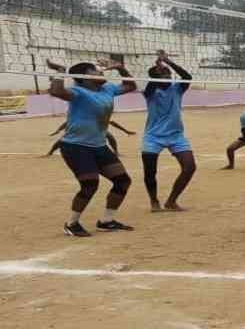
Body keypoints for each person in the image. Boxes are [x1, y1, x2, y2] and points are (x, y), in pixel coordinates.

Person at [46, 57, 137, 237]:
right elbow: (57, 91)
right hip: (75, 146)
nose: (100, 72)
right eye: (94, 71)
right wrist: (60, 71)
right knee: (90, 184)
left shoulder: (107, 89)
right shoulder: (78, 92)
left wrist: (121, 69)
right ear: (84, 77)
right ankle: (71, 224)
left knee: (122, 181)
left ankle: (106, 221)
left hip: (99, 146)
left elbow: (130, 86)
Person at [141, 50, 197, 212]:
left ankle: (171, 201)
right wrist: (158, 69)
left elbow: (187, 77)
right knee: (150, 172)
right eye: (163, 74)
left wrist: (168, 62)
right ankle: (154, 201)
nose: (167, 75)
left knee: (190, 167)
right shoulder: (150, 93)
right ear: (154, 78)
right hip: (153, 137)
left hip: (176, 135)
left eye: (168, 73)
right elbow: (151, 85)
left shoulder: (177, 89)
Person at [46, 120, 136, 157]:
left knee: (109, 136)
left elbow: (112, 122)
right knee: (63, 139)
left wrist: (126, 131)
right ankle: (50, 152)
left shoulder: (98, 114)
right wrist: (58, 130)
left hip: (95, 129)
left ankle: (116, 152)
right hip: (82, 129)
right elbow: (68, 122)